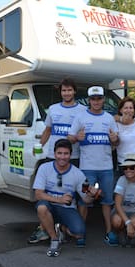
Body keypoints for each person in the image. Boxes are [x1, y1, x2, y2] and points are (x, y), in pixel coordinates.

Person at [28, 77, 87, 244]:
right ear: (60, 92)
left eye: (69, 90)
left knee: (74, 194)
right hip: (53, 156)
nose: (66, 93)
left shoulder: (82, 110)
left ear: (74, 91)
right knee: (48, 192)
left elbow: (83, 134)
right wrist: (40, 145)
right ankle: (44, 228)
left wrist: (76, 139)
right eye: (63, 90)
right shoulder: (53, 109)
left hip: (73, 157)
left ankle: (71, 226)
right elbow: (48, 130)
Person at [68, 85, 119, 246]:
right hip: (87, 168)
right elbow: (70, 137)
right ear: (89, 100)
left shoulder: (109, 118)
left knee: (107, 201)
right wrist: (77, 137)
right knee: (85, 201)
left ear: (103, 100)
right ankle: (80, 232)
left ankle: (109, 232)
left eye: (99, 99)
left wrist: (114, 139)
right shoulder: (81, 117)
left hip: (106, 168)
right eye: (93, 99)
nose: (96, 102)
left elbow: (116, 141)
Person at [33, 139, 96, 257]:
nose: (62, 157)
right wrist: (59, 200)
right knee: (41, 207)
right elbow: (38, 194)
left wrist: (91, 195)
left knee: (79, 233)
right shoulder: (44, 168)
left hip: (67, 209)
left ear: (70, 155)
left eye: (66, 154)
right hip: (50, 206)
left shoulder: (77, 173)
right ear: (54, 153)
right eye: (59, 153)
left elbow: (86, 200)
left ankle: (61, 228)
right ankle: (54, 239)